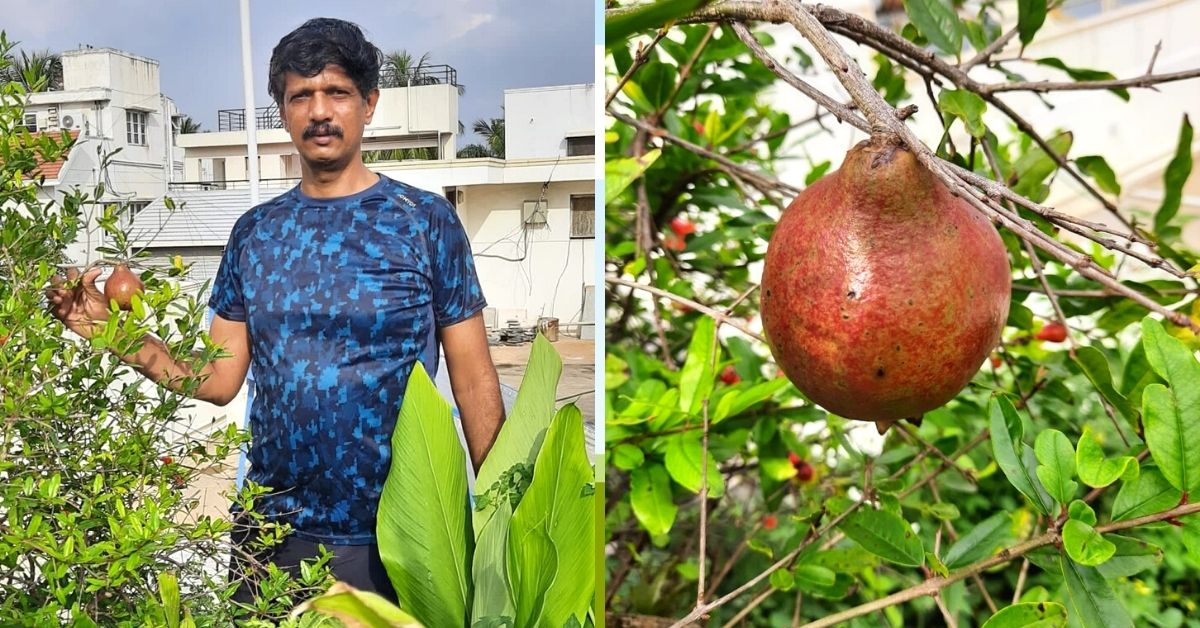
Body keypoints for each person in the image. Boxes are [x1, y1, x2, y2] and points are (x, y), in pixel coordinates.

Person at [46, 17, 504, 603]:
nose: (319, 111)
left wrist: (499, 510)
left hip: (402, 533)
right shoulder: (255, 233)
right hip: (271, 533)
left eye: (336, 92)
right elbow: (216, 379)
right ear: (283, 111)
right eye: (300, 96)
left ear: (369, 103)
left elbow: (473, 378)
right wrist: (110, 333)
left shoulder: (424, 222)